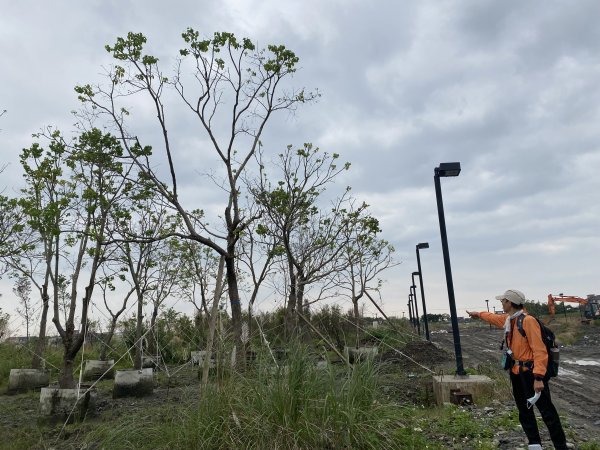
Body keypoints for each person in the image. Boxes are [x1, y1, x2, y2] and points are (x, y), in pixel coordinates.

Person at [467, 289, 568, 450]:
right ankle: (535, 445)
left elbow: (540, 351)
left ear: (510, 302)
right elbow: (493, 318)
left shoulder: (527, 321)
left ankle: (561, 446)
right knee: (524, 412)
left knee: (547, 413)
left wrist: (539, 377)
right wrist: (478, 314)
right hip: (516, 373)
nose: (501, 303)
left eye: (503, 301)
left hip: (531, 374)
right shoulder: (510, 320)